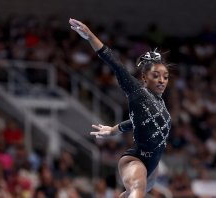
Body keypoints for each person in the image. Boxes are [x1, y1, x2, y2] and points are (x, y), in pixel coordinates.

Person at [69, 18, 171, 197]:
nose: (162, 80)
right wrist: (90, 36)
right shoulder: (138, 91)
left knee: (130, 193)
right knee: (137, 189)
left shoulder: (161, 104)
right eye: (156, 75)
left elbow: (138, 121)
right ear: (145, 78)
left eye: (165, 76)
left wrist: (113, 130)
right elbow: (115, 63)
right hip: (136, 159)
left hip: (152, 167)